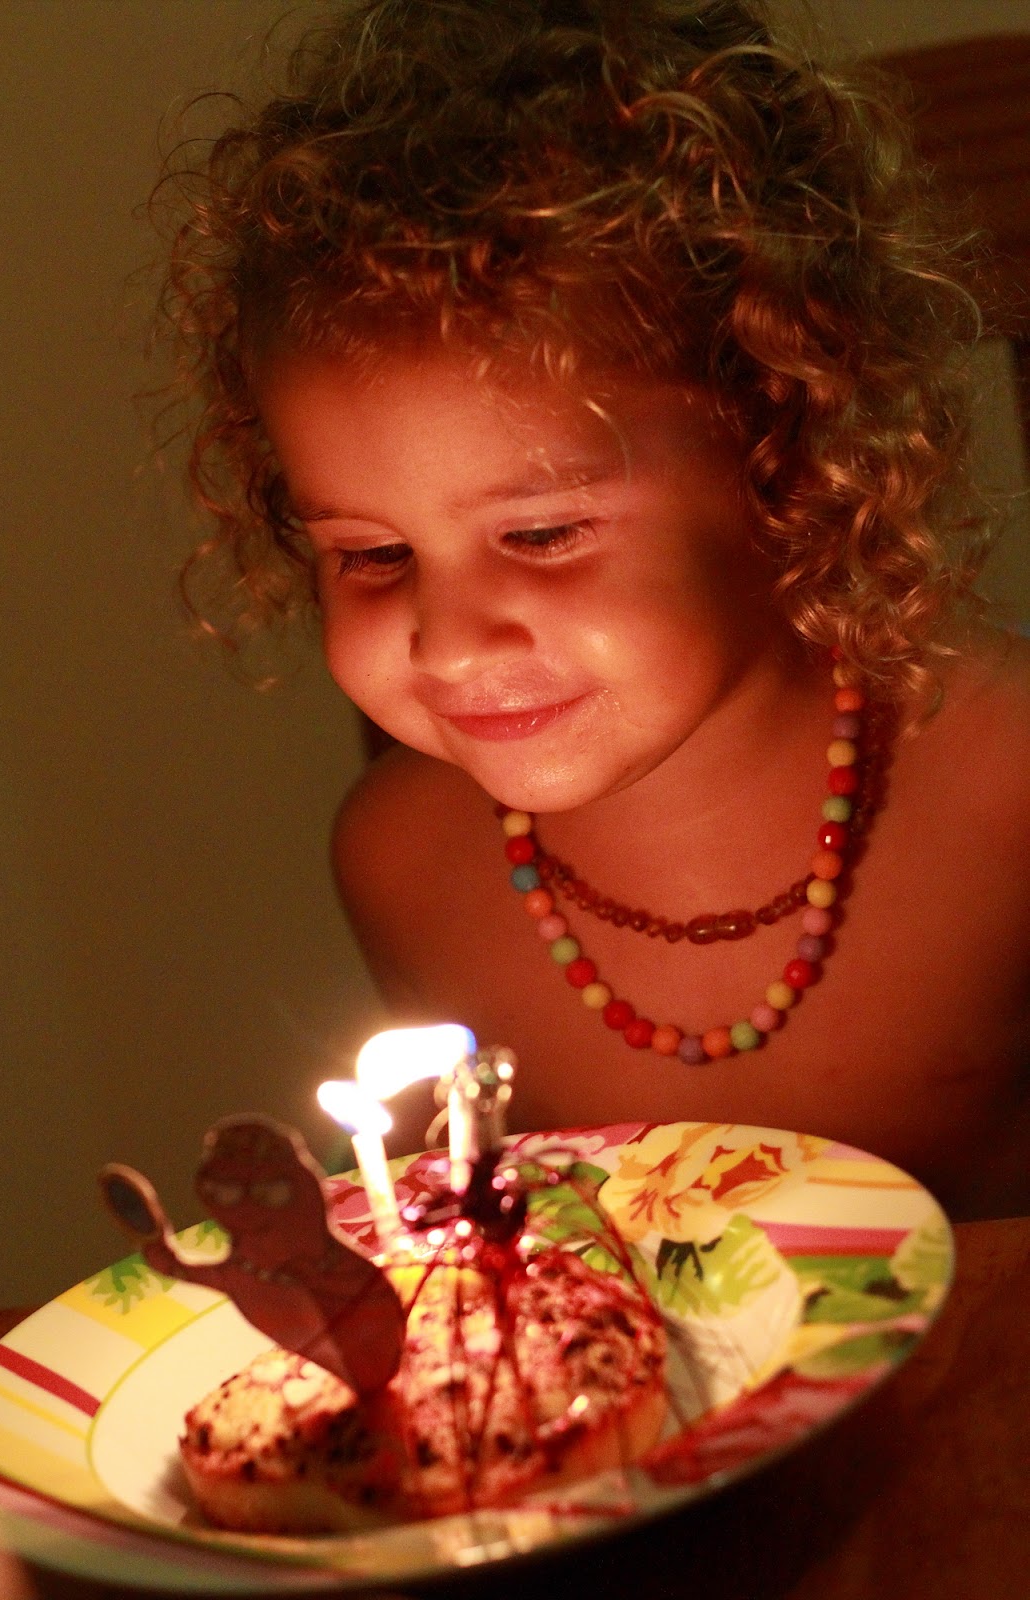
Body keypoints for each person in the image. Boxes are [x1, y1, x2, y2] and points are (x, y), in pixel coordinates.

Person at [159, 0, 1029, 1218]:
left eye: (541, 534)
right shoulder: (399, 859)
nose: (449, 640)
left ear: (782, 453)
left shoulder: (1005, 786)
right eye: (373, 553)